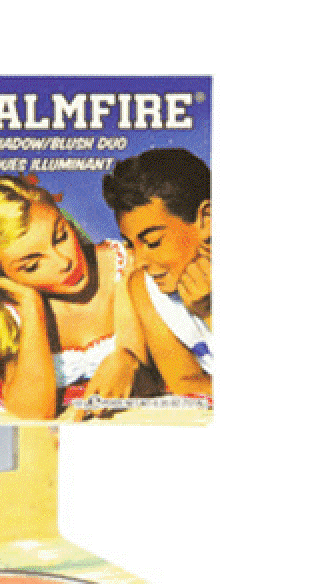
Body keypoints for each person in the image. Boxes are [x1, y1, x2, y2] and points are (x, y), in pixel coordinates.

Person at [0, 174, 142, 420]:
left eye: (60, 237)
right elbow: (34, 413)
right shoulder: (12, 316)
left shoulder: (128, 266)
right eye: (32, 266)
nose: (64, 261)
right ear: (2, 274)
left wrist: (129, 361)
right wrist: (31, 306)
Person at [102, 148, 212, 398]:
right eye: (131, 244)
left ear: (206, 219)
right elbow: (185, 382)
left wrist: (210, 313)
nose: (138, 261)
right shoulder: (144, 289)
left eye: (152, 242)